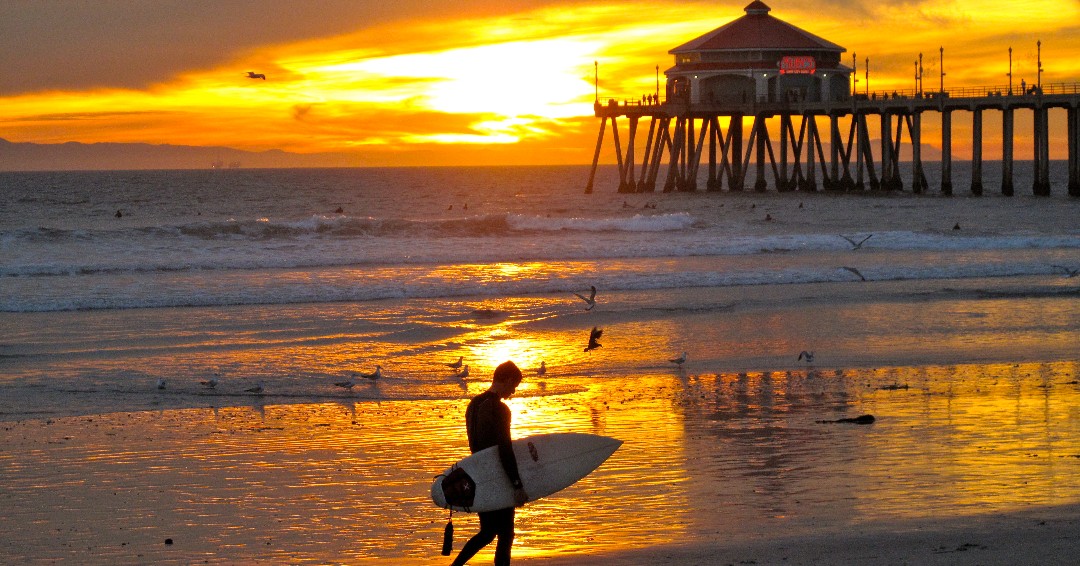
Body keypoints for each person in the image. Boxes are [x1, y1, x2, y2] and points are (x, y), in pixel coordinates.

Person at [451, 361, 528, 566]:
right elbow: (504, 448)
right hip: (497, 476)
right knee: (506, 534)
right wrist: (517, 485)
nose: (513, 392)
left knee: (487, 532)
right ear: (508, 380)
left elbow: (475, 444)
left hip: (478, 474)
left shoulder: (473, 404)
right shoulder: (500, 409)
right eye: (514, 386)